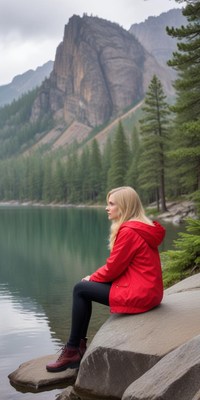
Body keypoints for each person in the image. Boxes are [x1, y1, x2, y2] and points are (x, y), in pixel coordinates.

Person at [46, 186, 165, 373]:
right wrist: (94, 279)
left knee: (80, 289)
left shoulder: (129, 231)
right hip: (150, 291)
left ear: (124, 207)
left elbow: (113, 268)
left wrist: (91, 277)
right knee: (86, 288)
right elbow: (119, 267)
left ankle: (72, 350)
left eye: (111, 204)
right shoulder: (142, 227)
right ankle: (78, 347)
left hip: (140, 294)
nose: (106, 208)